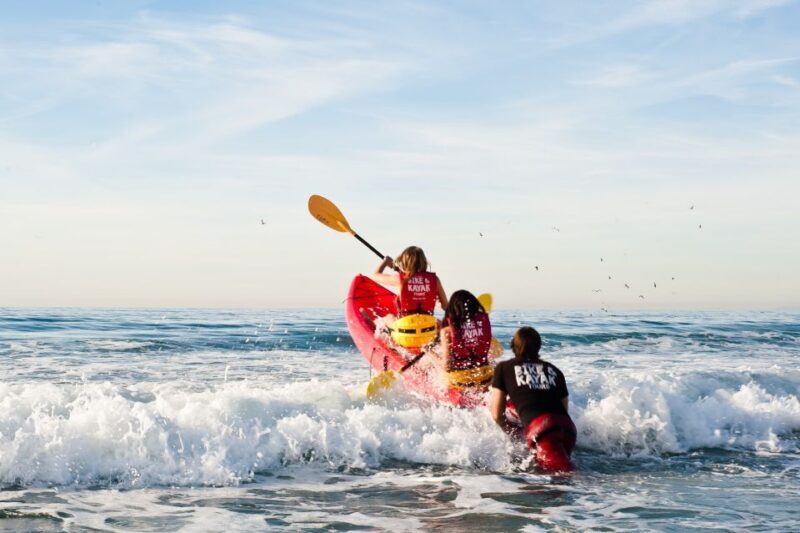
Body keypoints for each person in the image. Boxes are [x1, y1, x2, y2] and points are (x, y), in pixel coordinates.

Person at [490, 326, 577, 472]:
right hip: (567, 429)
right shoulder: (554, 370)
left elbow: (497, 414)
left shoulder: (504, 368)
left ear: (513, 346)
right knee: (558, 472)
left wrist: (509, 432)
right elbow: (564, 409)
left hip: (543, 430)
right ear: (538, 346)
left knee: (562, 477)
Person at [371, 246, 448, 350]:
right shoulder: (435, 280)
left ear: (404, 262)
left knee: (387, 317)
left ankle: (391, 348)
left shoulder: (399, 279)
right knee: (439, 323)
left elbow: (375, 275)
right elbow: (446, 307)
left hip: (404, 336)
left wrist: (385, 262)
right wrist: (438, 303)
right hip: (428, 335)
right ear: (423, 262)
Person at [432, 290, 493, 389]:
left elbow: (447, 366)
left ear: (452, 309)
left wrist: (428, 351)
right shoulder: (484, 323)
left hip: (461, 381)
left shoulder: (447, 332)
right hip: (485, 377)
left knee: (431, 360)